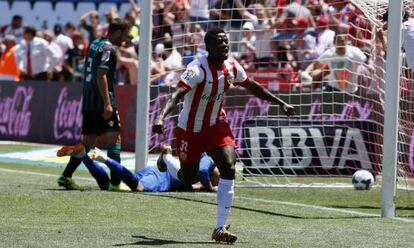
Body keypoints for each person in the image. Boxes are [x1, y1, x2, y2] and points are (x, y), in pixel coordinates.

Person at [152, 27, 295, 244]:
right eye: (219, 43)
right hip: (190, 130)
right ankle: (165, 159)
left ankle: (220, 228)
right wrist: (161, 116)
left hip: (217, 125)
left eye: (226, 42)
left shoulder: (231, 66)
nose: (225, 46)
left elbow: (252, 86)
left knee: (229, 166)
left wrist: (280, 103)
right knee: (188, 179)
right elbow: (177, 94)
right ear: (208, 48)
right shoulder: (197, 69)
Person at [57, 18, 130, 191]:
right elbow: (101, 75)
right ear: (118, 32)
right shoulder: (109, 49)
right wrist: (107, 103)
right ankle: (115, 184)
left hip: (89, 99)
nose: (125, 40)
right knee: (115, 139)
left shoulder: (95, 43)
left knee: (87, 142)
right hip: (102, 99)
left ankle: (66, 176)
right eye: (125, 35)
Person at [56, 144, 219, 192]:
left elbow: (192, 185)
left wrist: (204, 186)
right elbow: (205, 172)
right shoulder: (208, 163)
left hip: (155, 171)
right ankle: (103, 158)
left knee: (109, 187)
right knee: (138, 187)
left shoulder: (197, 174)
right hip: (163, 177)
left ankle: (84, 154)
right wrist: (211, 187)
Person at [301, 30, 367, 93]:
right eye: (338, 41)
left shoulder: (354, 51)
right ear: (334, 41)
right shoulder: (329, 53)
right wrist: (307, 72)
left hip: (351, 90)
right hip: (333, 88)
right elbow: (316, 63)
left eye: (342, 41)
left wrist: (369, 67)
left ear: (346, 41)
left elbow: (364, 61)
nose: (340, 43)